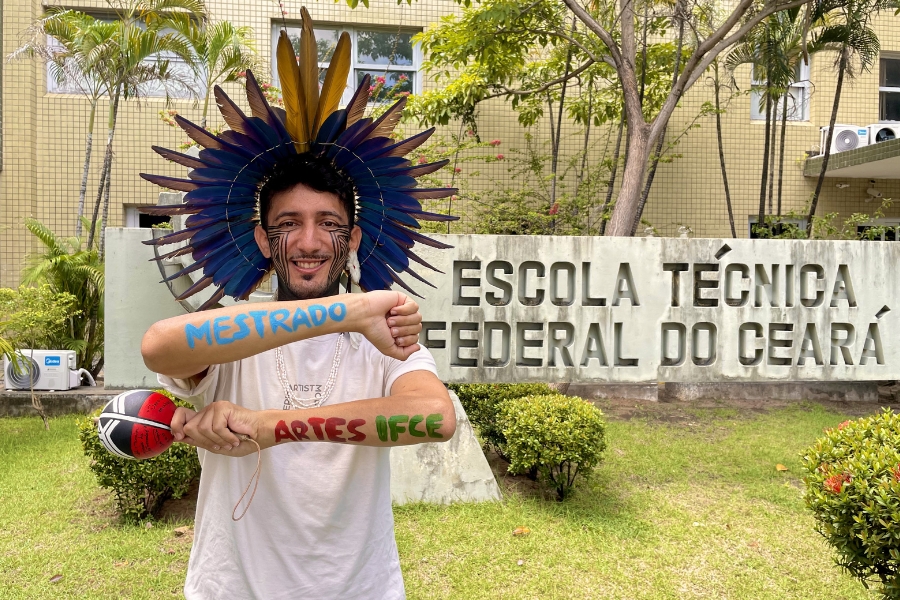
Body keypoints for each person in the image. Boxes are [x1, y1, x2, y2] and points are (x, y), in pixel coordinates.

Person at [138, 11, 460, 598]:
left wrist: (268, 426)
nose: (310, 242)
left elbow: (434, 418)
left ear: (353, 239)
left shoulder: (385, 335)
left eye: (329, 224)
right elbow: (159, 345)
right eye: (289, 223)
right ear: (264, 239)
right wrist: (347, 311)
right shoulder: (235, 329)